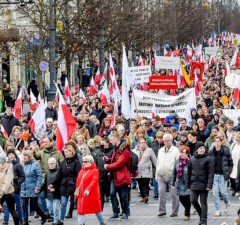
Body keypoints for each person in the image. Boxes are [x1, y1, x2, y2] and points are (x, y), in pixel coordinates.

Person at [50, 141, 81, 224]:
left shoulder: (76, 162)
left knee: (77, 204)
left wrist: (78, 185)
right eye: (64, 152)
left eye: (67, 152)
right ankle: (61, 220)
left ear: (71, 152)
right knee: (63, 203)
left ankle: (80, 221)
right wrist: (52, 183)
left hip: (73, 185)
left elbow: (79, 174)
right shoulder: (63, 162)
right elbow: (59, 175)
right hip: (64, 186)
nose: (65, 153)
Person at [104, 132, 131, 220]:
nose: (111, 141)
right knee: (112, 194)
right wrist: (108, 159)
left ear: (117, 139)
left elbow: (119, 163)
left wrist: (108, 166)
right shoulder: (117, 149)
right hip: (115, 176)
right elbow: (115, 160)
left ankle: (125, 212)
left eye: (112, 139)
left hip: (122, 176)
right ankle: (115, 212)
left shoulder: (125, 151)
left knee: (123, 196)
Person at [188, 141, 214, 225]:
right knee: (193, 200)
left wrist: (209, 185)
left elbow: (210, 173)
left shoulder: (208, 159)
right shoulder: (192, 159)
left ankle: (204, 220)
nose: (202, 149)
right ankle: (201, 215)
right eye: (200, 148)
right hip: (194, 184)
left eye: (203, 148)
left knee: (203, 202)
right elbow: (188, 172)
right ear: (197, 149)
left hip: (204, 184)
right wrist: (188, 184)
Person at [75, 155, 106, 225]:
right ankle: (80, 223)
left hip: (92, 195)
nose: (83, 163)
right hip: (82, 195)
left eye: (85, 161)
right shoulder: (81, 170)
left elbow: (94, 181)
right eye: (83, 161)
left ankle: (102, 222)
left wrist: (88, 190)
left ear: (91, 162)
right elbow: (78, 182)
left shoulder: (95, 171)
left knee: (97, 210)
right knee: (81, 210)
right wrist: (77, 191)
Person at [155, 133, 180, 217]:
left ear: (171, 140)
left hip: (172, 176)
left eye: (167, 140)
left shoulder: (176, 150)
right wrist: (156, 175)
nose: (165, 142)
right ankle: (162, 211)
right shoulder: (160, 150)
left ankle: (174, 212)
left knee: (174, 195)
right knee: (161, 193)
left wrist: (177, 176)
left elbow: (178, 164)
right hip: (161, 175)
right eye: (164, 140)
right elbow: (158, 162)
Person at [21, 150, 47, 225]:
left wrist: (38, 187)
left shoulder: (35, 164)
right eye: (23, 155)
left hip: (33, 187)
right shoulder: (23, 164)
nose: (24, 157)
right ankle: (25, 221)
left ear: (29, 156)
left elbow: (39, 176)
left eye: (26, 155)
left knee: (33, 204)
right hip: (24, 187)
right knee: (24, 205)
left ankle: (43, 215)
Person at [208, 136, 233, 216]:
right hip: (214, 174)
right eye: (216, 141)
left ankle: (227, 202)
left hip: (223, 174)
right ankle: (218, 209)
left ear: (221, 142)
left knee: (223, 192)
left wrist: (228, 172)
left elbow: (230, 163)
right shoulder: (211, 152)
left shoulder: (226, 151)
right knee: (215, 192)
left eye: (219, 141)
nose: (217, 143)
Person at [4, 149, 25, 225]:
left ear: (15, 155)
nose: (11, 155)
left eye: (13, 154)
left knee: (18, 205)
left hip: (15, 189)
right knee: (7, 206)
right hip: (7, 189)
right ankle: (6, 221)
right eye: (10, 154)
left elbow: (23, 176)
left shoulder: (18, 165)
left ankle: (20, 220)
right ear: (7, 156)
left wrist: (17, 182)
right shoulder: (5, 164)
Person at [132, 138, 156, 203]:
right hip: (138, 170)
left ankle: (146, 196)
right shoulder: (134, 150)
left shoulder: (149, 150)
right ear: (139, 143)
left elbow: (154, 159)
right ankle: (143, 197)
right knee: (140, 184)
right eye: (142, 142)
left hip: (146, 170)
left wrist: (156, 168)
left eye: (144, 142)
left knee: (145, 183)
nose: (143, 143)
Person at [172, 146, 191, 221]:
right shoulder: (177, 161)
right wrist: (173, 183)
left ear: (187, 154)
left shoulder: (190, 161)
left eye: (184, 152)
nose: (182, 154)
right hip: (180, 182)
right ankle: (188, 210)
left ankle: (186, 214)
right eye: (181, 152)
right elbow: (174, 172)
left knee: (187, 198)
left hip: (188, 182)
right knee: (181, 198)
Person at [42, 157, 61, 225]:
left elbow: (59, 182)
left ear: (55, 164)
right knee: (49, 208)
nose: (51, 165)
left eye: (52, 163)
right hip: (48, 194)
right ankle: (55, 217)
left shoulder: (59, 172)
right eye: (50, 164)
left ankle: (56, 221)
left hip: (56, 193)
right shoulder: (47, 173)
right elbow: (45, 183)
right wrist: (40, 189)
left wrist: (55, 187)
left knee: (56, 208)